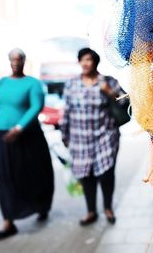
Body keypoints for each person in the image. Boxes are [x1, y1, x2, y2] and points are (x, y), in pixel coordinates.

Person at [0, 48, 54, 241]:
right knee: (4, 177)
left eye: (20, 60)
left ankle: (41, 205)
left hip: (27, 135)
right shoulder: (2, 82)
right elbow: (0, 105)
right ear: (9, 60)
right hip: (1, 134)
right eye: (13, 60)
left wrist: (19, 127)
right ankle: (8, 220)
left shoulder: (33, 83)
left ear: (25, 61)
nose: (16, 63)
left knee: (34, 173)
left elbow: (36, 106)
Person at [60, 48, 126, 226]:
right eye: (82, 60)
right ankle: (91, 211)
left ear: (95, 62)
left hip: (105, 136)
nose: (85, 63)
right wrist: (64, 134)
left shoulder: (109, 81)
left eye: (88, 59)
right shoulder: (71, 84)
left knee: (106, 173)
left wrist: (110, 93)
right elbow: (66, 111)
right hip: (80, 138)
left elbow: (126, 103)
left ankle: (108, 208)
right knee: (86, 175)